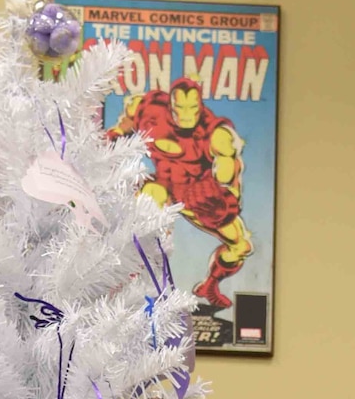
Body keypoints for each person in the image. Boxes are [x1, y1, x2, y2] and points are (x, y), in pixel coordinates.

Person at [108, 79, 253, 313]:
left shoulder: (216, 135)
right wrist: (114, 136)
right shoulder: (146, 109)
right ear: (171, 104)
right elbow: (121, 129)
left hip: (198, 195)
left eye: (193, 109)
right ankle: (133, 283)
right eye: (180, 109)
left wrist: (225, 202)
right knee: (148, 201)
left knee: (240, 246)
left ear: (200, 105)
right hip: (163, 185)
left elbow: (231, 179)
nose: (187, 115)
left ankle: (210, 286)